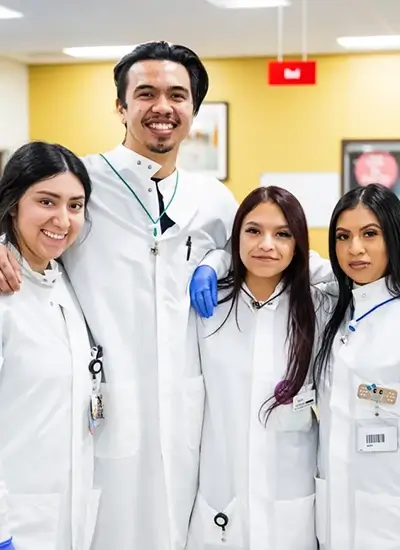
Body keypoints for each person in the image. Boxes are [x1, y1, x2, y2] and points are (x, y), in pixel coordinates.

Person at [0, 42, 238, 550]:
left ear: (193, 108)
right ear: (121, 106)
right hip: (101, 420)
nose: (162, 107)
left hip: (186, 418)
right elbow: (29, 215)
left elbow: (256, 259)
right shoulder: (84, 181)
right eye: (145, 93)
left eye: (178, 95)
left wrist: (216, 261)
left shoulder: (214, 198)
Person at [187, 186, 326, 550]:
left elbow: (349, 270)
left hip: (291, 493)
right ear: (237, 236)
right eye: (253, 231)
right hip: (221, 491)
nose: (266, 244)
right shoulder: (208, 304)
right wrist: (213, 262)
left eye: (283, 234)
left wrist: (217, 259)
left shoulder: (318, 304)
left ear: (298, 244)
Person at [0, 141, 100, 550]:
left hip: (68, 518)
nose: (62, 219)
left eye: (75, 205)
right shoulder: (5, 295)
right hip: (16, 523)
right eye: (47, 201)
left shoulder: (64, 282)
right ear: (12, 205)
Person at [313, 183, 400, 550]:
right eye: (343, 236)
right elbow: (289, 259)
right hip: (334, 515)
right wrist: (215, 261)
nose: (355, 249)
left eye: (370, 234)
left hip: (388, 515)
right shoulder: (335, 306)